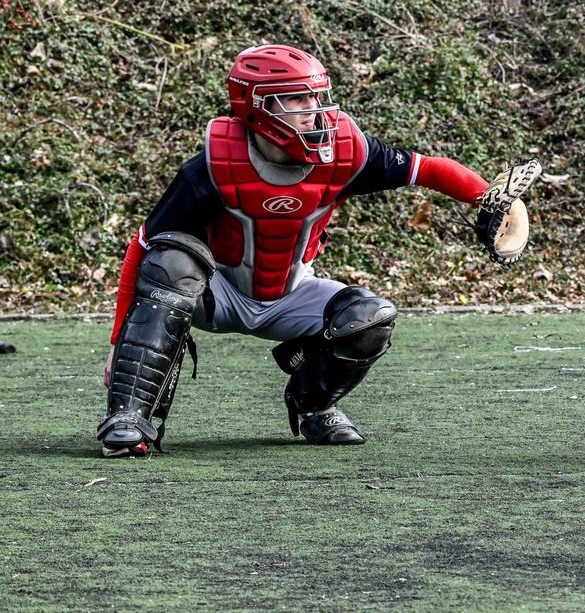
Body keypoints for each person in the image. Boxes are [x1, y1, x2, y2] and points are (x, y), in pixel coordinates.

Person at [98, 43, 537, 458]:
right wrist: (119, 341)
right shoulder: (215, 163)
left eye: (317, 98)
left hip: (290, 292)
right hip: (217, 293)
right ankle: (129, 416)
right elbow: (142, 246)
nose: (316, 111)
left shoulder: (347, 152)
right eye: (298, 100)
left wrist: (486, 198)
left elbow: (428, 169)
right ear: (258, 106)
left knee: (371, 316)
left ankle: (312, 405)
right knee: (170, 259)